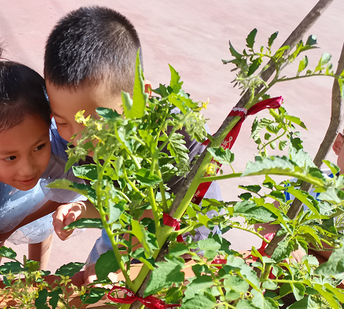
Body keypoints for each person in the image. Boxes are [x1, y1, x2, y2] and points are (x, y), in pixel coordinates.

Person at [43, 6, 222, 282]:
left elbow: (159, 215)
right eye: (63, 121)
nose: (78, 137)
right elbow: (115, 203)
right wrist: (82, 208)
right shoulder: (81, 139)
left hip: (188, 231)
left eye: (94, 122)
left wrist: (117, 266)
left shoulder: (177, 135)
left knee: (182, 287)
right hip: (129, 224)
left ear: (140, 97)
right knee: (96, 282)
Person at [0, 25, 84, 276]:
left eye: (38, 146)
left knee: (40, 226)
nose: (28, 168)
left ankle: (37, 276)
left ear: (50, 121)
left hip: (46, 186)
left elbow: (56, 200)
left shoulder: (64, 156)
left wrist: (10, 228)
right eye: (11, 157)